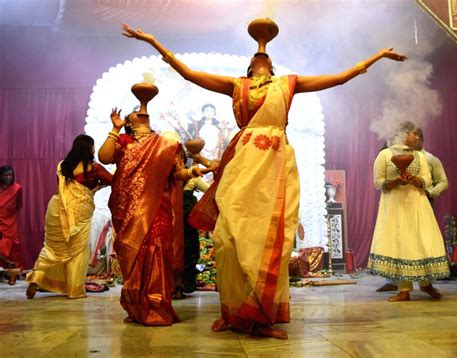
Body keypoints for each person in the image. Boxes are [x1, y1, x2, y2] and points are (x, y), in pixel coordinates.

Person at [122, 21, 406, 339]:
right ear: (249, 66)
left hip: (275, 164)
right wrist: (153, 41)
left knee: (268, 240)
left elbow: (338, 79)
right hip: (241, 162)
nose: (261, 56)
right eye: (257, 55)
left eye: (266, 56)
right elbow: (189, 74)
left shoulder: (288, 84)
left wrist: (376, 57)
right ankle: (234, 312)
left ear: (271, 65)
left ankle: (260, 317)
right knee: (227, 239)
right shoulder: (236, 86)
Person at [98, 105, 211, 326]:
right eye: (136, 111)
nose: (142, 111)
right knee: (135, 253)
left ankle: (156, 304)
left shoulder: (165, 144)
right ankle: (136, 305)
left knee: (157, 249)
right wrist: (114, 129)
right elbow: (104, 157)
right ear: (129, 121)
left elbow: (176, 172)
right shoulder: (122, 142)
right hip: (127, 208)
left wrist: (192, 172)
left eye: (145, 111)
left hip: (157, 207)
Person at [367, 122, 450, 302]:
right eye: (414, 134)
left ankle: (426, 284)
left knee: (422, 242)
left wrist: (415, 180)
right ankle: (403, 290)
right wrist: (396, 181)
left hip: (418, 206)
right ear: (403, 134)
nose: (417, 137)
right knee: (401, 244)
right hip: (395, 207)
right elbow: (378, 182)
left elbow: (428, 181)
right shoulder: (385, 154)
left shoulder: (420, 156)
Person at [26, 134, 113, 299]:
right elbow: (114, 181)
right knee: (78, 252)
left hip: (55, 209)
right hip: (78, 214)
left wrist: (94, 188)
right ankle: (74, 290)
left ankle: (36, 277)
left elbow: (67, 191)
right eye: (93, 146)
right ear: (89, 148)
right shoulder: (94, 169)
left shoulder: (63, 166)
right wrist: (98, 186)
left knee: (51, 248)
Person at [174, 172, 210, 298]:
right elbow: (210, 190)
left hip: (169, 217)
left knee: (172, 251)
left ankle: (171, 287)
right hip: (186, 221)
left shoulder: (168, 175)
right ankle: (181, 285)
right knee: (188, 251)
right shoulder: (192, 178)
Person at [0, 165, 22, 285]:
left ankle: (12, 275)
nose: (8, 177)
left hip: (10, 223)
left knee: (13, 249)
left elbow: (18, 205)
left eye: (10, 175)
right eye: (5, 175)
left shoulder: (17, 188)